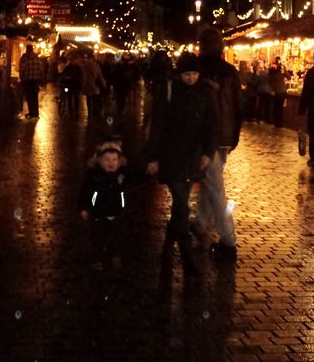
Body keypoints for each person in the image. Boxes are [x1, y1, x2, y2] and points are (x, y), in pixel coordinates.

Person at [145, 52, 218, 277]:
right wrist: (152, 157)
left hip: (193, 157)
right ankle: (187, 258)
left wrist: (207, 152)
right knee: (182, 205)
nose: (191, 78)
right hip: (171, 155)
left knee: (180, 205)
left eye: (195, 74)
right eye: (187, 74)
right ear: (180, 74)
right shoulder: (168, 91)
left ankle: (168, 244)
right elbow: (157, 124)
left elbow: (211, 125)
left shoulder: (205, 93)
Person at [192, 27, 244, 261]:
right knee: (209, 182)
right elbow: (239, 106)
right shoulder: (230, 72)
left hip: (207, 137)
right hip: (225, 136)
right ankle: (201, 222)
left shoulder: (199, 70)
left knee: (214, 187)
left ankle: (228, 240)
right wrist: (234, 135)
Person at [78, 139, 131, 270]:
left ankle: (115, 255)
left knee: (118, 236)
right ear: (99, 161)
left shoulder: (122, 176)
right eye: (107, 160)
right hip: (99, 213)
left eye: (114, 160)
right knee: (98, 237)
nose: (111, 163)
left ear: (119, 161)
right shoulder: (94, 176)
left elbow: (134, 180)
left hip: (117, 212)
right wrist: (84, 207)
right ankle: (97, 258)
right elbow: (85, 192)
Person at [18, 43, 46, 118]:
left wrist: (22, 78)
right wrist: (40, 78)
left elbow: (22, 70)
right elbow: (41, 69)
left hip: (27, 80)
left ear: (27, 50)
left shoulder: (25, 58)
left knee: (29, 97)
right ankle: (36, 113)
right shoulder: (37, 58)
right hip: (36, 80)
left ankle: (31, 113)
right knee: (35, 96)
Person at [79, 50, 106, 118]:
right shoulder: (95, 66)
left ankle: (91, 113)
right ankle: (94, 113)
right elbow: (100, 75)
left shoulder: (85, 66)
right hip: (92, 85)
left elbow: (83, 76)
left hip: (91, 85)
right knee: (93, 99)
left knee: (91, 99)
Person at [267, 58, 287, 126]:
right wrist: (285, 70)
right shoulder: (281, 73)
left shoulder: (272, 73)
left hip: (276, 92)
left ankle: (276, 122)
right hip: (281, 91)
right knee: (280, 108)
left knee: (276, 107)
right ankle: (279, 122)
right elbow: (289, 77)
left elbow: (269, 81)